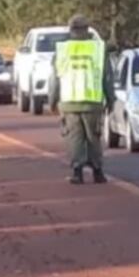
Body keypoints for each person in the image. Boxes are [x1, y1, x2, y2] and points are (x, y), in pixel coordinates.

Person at [49, 14, 116, 185]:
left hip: (70, 102)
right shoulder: (98, 49)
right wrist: (111, 99)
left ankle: (77, 172)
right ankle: (98, 172)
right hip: (92, 102)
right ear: (87, 29)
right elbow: (107, 77)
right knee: (94, 137)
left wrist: (52, 100)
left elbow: (54, 79)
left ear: (71, 30)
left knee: (75, 138)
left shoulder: (62, 50)